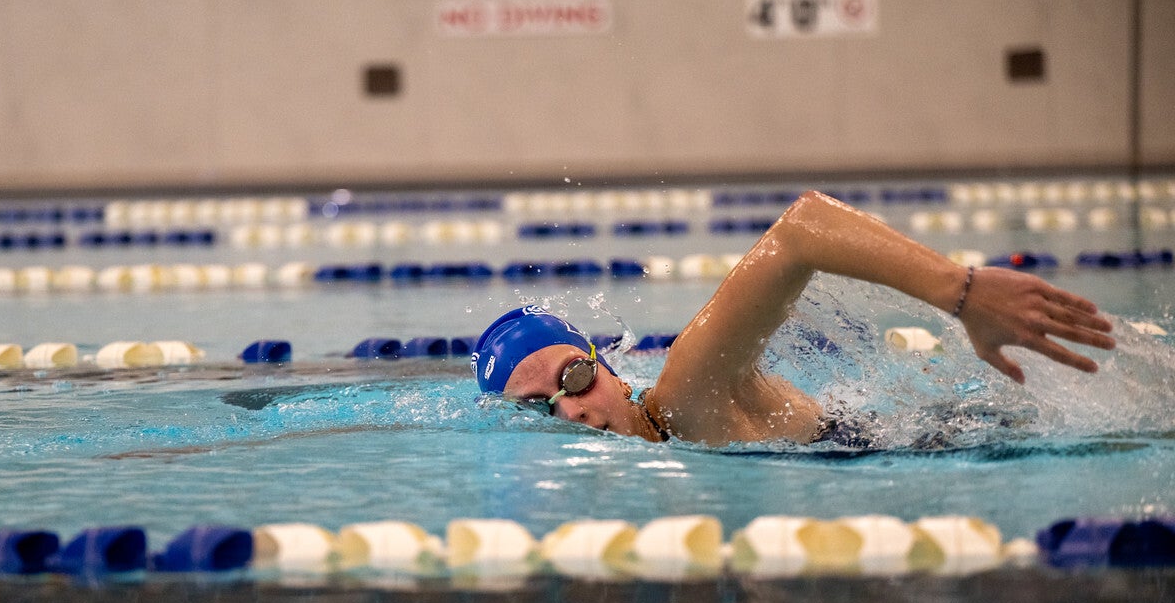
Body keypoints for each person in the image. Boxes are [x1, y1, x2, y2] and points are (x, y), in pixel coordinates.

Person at [472, 190, 1116, 447]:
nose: (572, 411)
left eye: (576, 378)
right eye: (538, 408)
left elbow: (804, 228)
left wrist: (962, 291)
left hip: (945, 442)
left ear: (605, 366)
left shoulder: (688, 395)